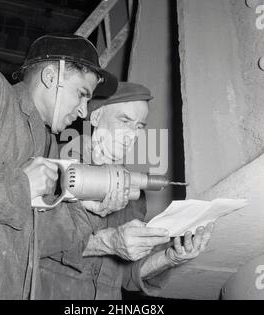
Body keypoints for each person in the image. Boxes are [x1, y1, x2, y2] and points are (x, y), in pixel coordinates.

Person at [0, 34, 118, 299]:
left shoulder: (47, 146)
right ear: (50, 76)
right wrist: (23, 186)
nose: (84, 111)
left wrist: (84, 209)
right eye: (81, 94)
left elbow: (41, 240)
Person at [38, 82, 214, 299]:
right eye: (124, 121)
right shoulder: (53, 165)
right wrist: (108, 243)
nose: (132, 135)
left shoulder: (134, 194)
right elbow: (30, 240)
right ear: (95, 118)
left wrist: (170, 257)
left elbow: (126, 276)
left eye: (139, 126)